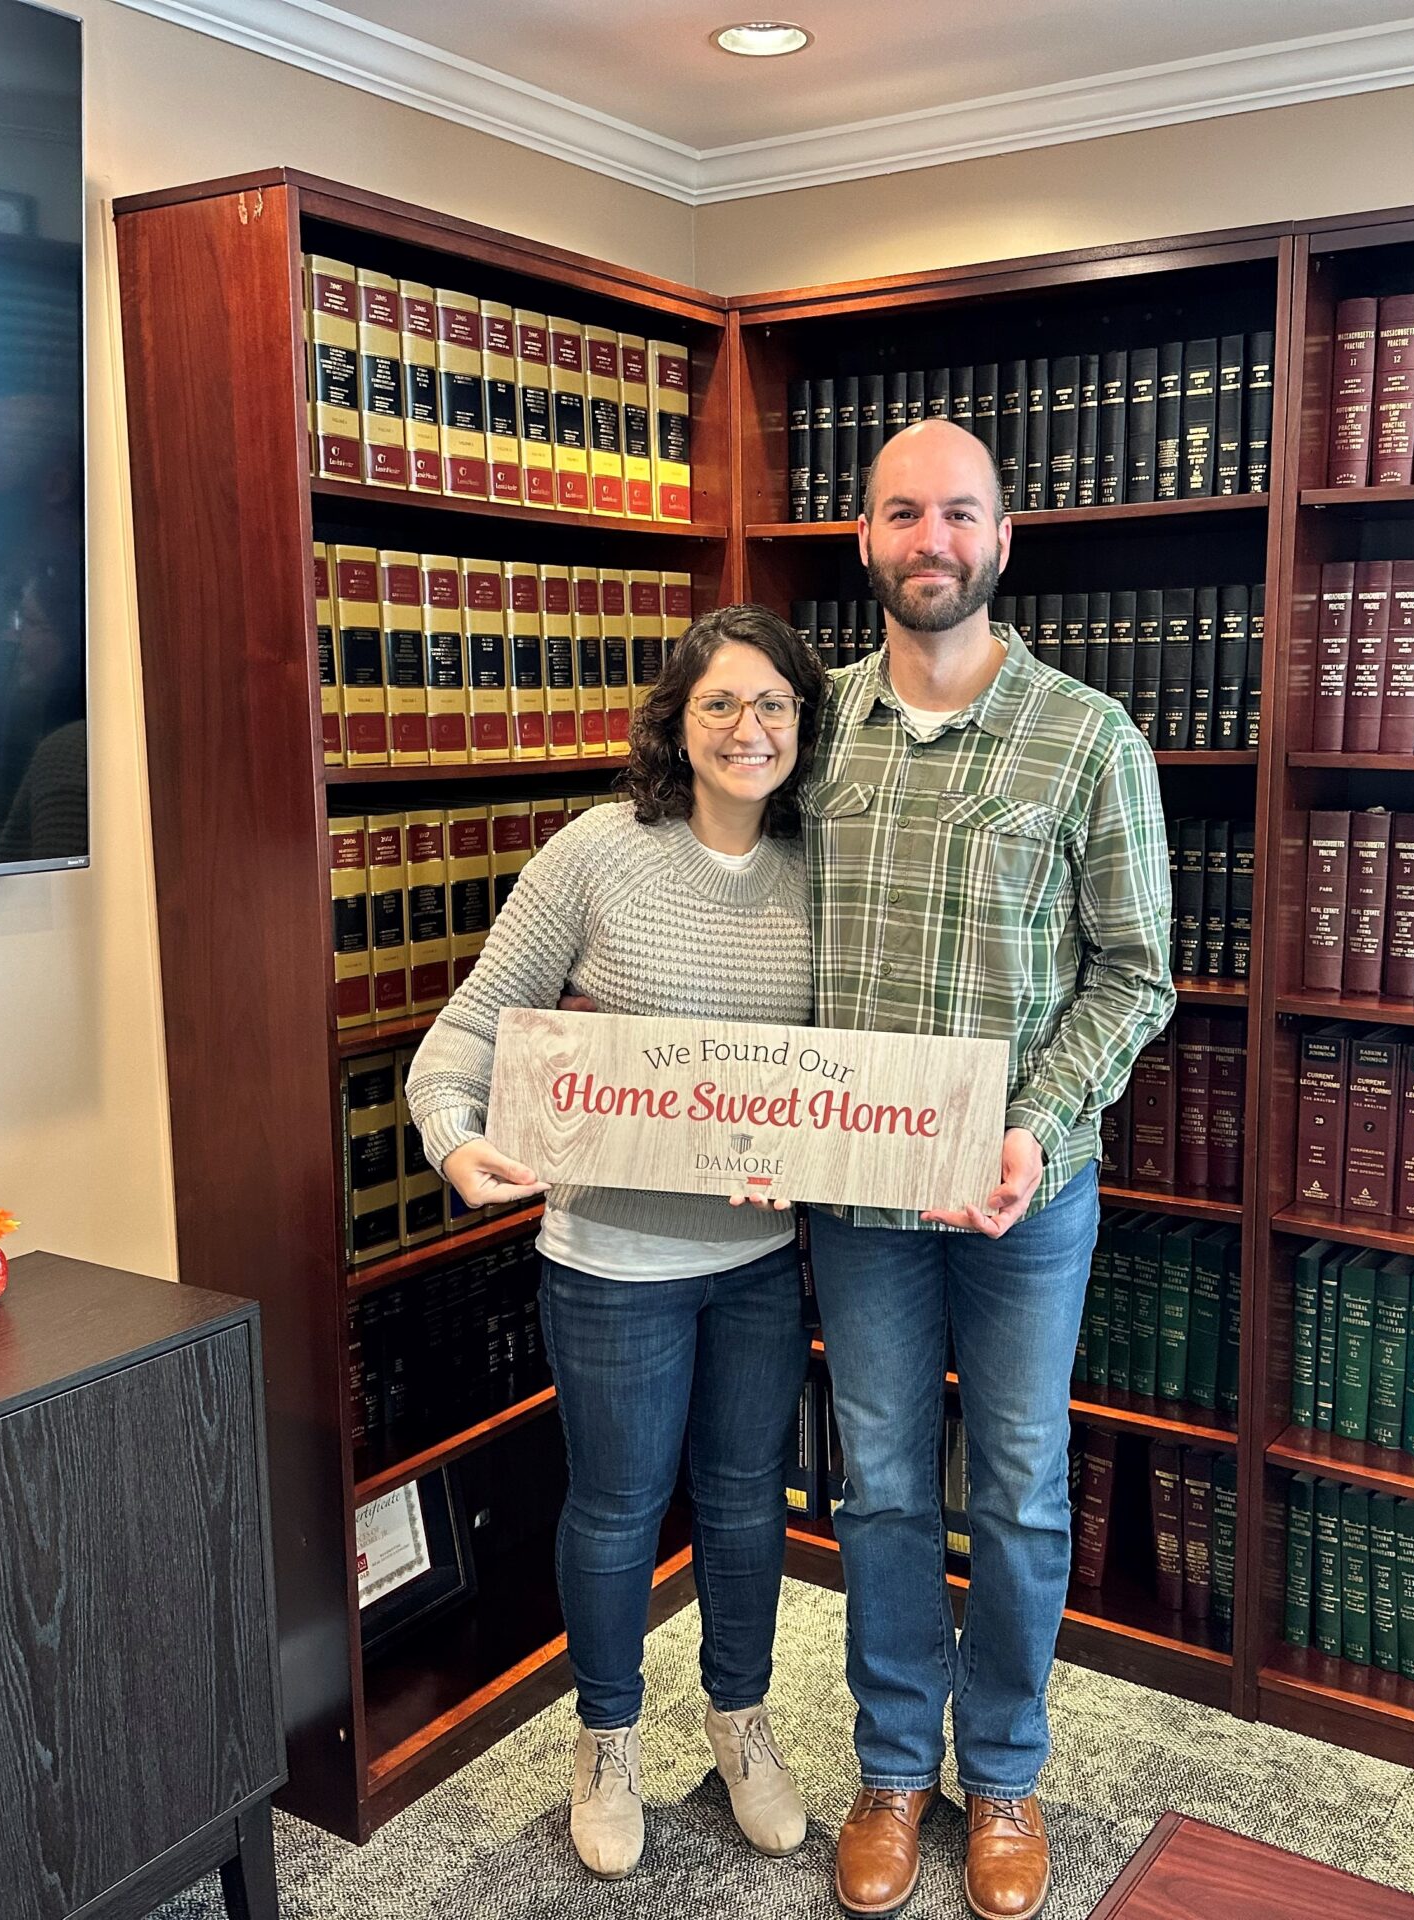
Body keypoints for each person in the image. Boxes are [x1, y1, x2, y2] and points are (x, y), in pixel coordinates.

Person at [804, 418, 1174, 1920]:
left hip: (1027, 1192)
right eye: (903, 513)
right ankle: (895, 1768)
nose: (931, 540)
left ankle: (1006, 1773)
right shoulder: (809, 727)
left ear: (1003, 539)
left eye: (960, 513)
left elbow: (1136, 973)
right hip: (858, 1199)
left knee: (1019, 1491)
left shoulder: (1088, 737)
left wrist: (1039, 1122)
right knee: (884, 1485)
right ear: (865, 538)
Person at [405, 603, 827, 1881]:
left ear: (803, 724)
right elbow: (472, 1025)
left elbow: (843, 1071)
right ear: (676, 722)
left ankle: (740, 1722)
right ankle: (606, 1740)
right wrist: (451, 1137)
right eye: (720, 704)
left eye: (772, 705)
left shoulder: (820, 863)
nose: (748, 729)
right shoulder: (596, 854)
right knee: (616, 1507)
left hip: (757, 1261)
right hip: (610, 1265)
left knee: (748, 1502)